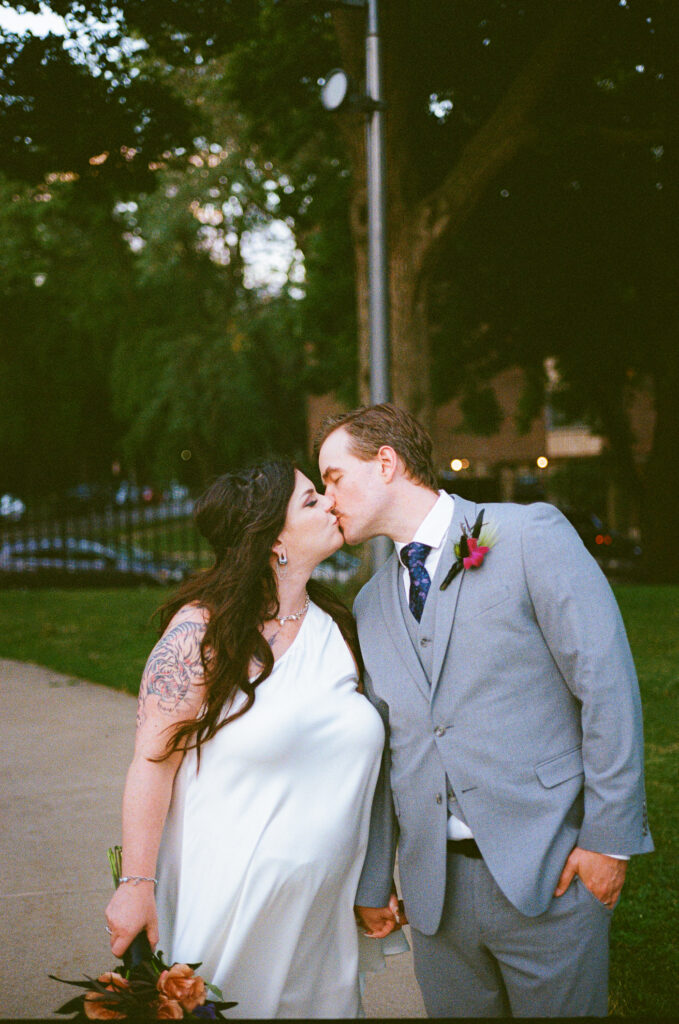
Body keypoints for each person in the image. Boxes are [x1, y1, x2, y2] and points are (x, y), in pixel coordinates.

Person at [316, 403, 653, 1018]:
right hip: (434, 900)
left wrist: (609, 840)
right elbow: (386, 750)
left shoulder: (527, 536)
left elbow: (606, 684)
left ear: (386, 463)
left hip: (552, 874)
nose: (325, 496)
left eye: (333, 476)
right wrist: (373, 883)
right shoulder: (369, 605)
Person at [105, 461, 394, 1018]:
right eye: (311, 500)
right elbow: (151, 762)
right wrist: (135, 884)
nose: (331, 502)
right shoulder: (200, 632)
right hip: (224, 908)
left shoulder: (340, 629)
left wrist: (377, 881)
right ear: (273, 538)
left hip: (319, 920)